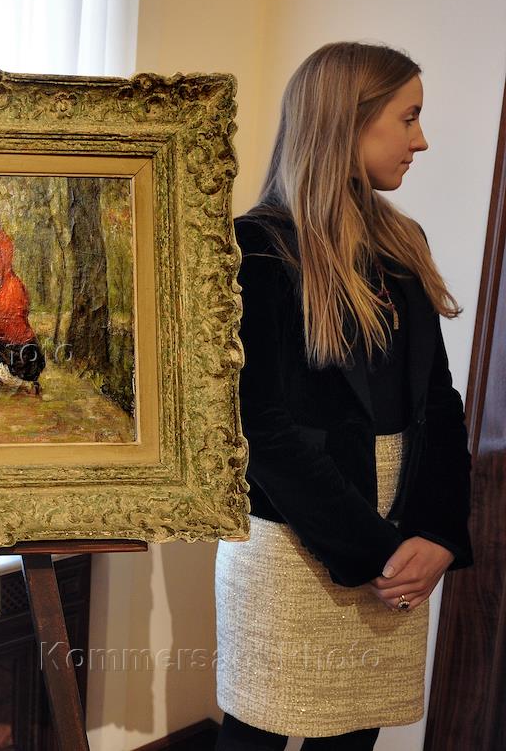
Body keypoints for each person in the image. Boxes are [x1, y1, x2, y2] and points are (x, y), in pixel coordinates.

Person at [214, 42, 474, 750]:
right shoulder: (255, 249)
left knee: (355, 732)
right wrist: (375, 550)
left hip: (401, 520)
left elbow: (437, 401)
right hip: (295, 537)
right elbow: (258, 426)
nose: (421, 140)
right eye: (408, 118)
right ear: (347, 120)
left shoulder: (403, 242)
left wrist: (437, 534)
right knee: (257, 732)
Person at [0, 192, 45, 395]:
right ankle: (26, 379)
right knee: (13, 332)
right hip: (12, 288)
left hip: (4, 292)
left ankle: (4, 379)